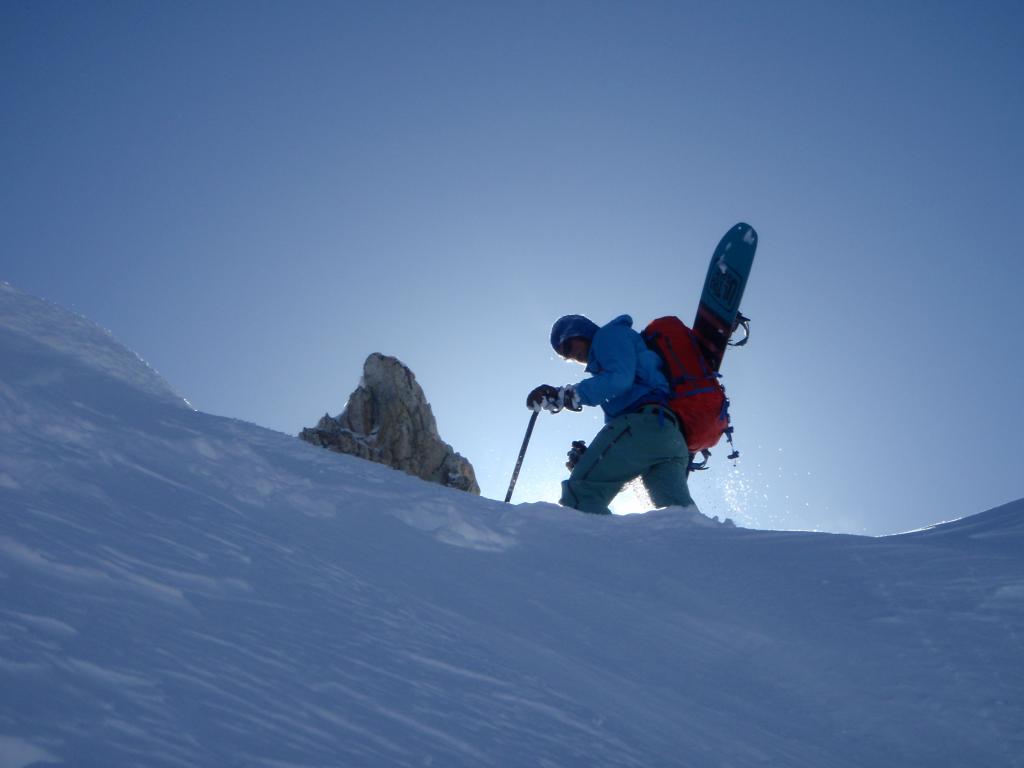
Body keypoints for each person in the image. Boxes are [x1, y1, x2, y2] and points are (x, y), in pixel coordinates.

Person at [527, 314, 694, 515]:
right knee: (678, 517)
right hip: (668, 437)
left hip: (645, 425)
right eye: (567, 357)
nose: (573, 356)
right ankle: (704, 544)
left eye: (569, 347)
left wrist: (565, 395)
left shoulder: (608, 336)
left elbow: (619, 379)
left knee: (581, 493)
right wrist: (591, 457)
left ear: (580, 332)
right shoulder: (611, 363)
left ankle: (597, 547)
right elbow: (620, 428)